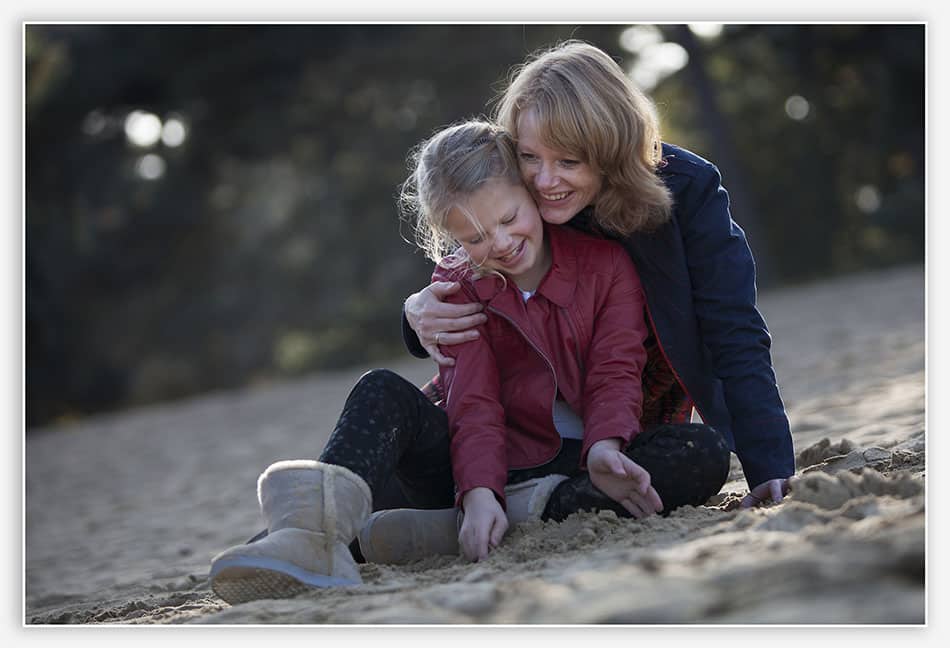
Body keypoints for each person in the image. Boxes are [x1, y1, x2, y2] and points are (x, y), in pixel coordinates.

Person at [208, 119, 730, 605]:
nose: (500, 244)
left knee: (701, 453)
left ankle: (442, 528)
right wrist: (479, 492)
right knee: (381, 389)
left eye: (509, 219)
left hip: (576, 466)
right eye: (474, 238)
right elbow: (473, 403)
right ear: (451, 238)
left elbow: (614, 371)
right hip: (473, 463)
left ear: (532, 193)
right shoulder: (458, 285)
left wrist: (605, 447)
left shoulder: (606, 266)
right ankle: (316, 538)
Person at [402, 41, 795, 509]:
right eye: (530, 157)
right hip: (518, 410)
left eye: (569, 161)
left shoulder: (690, 191)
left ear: (610, 150)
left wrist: (769, 467)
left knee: (696, 458)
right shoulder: (518, 198)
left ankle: (541, 504)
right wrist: (413, 315)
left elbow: (735, 332)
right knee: (413, 443)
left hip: (623, 411)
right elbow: (466, 255)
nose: (546, 181)